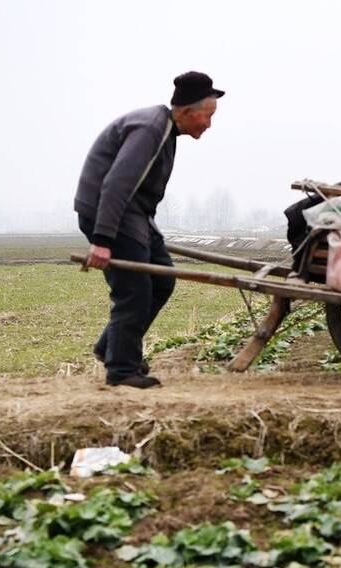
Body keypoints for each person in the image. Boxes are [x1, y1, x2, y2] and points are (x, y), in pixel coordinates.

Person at [74, 71, 224, 388]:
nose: (209, 125)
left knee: (161, 279)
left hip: (135, 215)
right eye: (207, 117)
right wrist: (102, 240)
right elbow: (117, 185)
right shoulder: (150, 129)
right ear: (186, 111)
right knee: (135, 291)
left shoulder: (166, 129)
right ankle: (122, 371)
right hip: (110, 213)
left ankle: (111, 347)